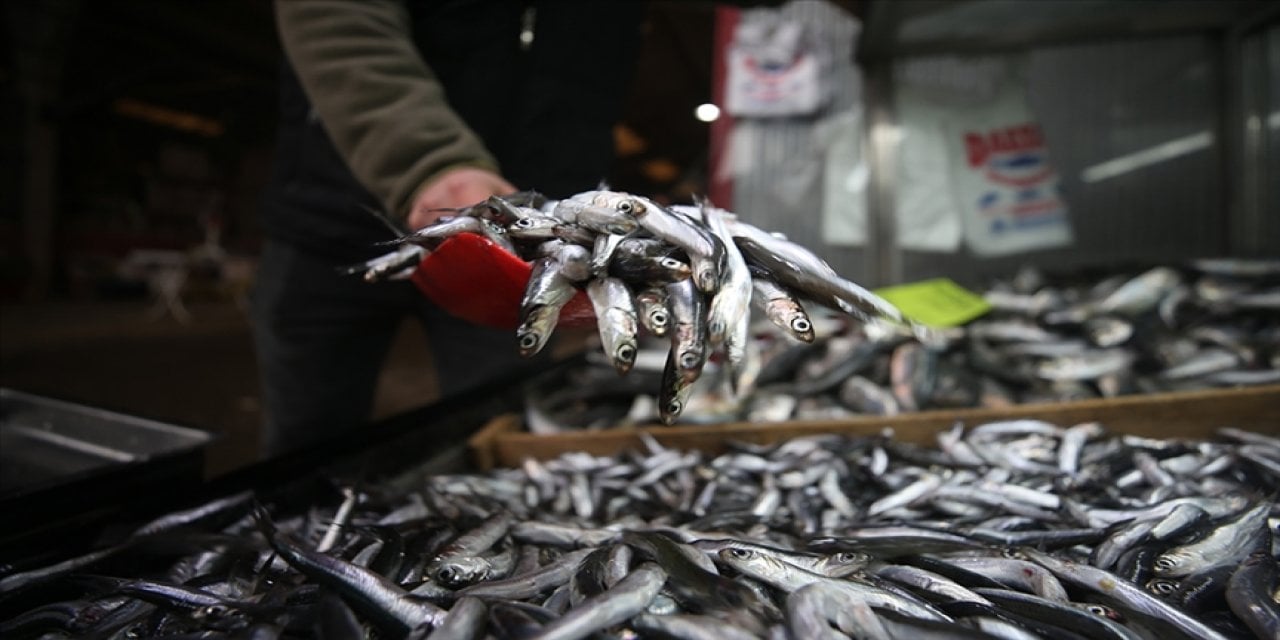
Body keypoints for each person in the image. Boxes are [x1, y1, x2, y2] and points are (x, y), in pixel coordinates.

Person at [254, 0, 645, 456]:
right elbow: (336, 16)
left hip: (527, 259)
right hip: (336, 218)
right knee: (306, 446)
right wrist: (428, 161)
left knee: (493, 436)